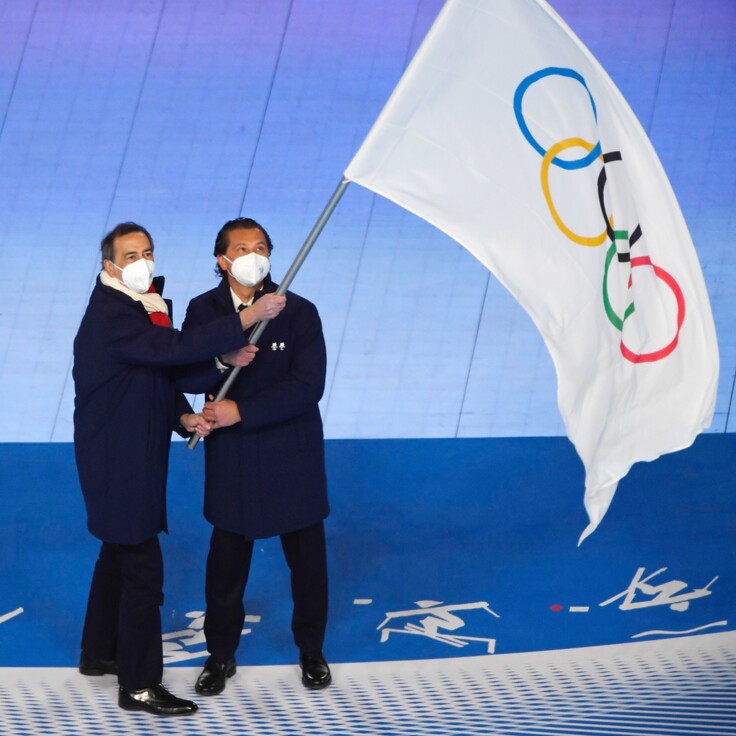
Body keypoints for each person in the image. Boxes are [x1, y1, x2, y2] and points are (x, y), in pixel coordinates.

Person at [73, 221, 285, 716]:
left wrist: (182, 415)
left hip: (133, 452)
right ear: (109, 266)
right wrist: (248, 315)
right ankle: (140, 684)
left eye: (146, 251)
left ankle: (99, 652)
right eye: (129, 256)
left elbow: (153, 373)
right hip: (117, 461)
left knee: (116, 556)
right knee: (142, 570)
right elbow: (166, 352)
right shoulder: (112, 313)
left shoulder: (141, 306)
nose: (141, 262)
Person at [177, 216, 331, 696]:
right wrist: (221, 364)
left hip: (291, 452)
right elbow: (187, 373)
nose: (253, 255)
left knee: (307, 561)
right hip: (233, 456)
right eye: (241, 248)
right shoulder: (203, 311)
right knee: (226, 562)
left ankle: (311, 649)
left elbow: (308, 388)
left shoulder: (299, 311)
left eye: (261, 246)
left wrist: (240, 409)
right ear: (221, 260)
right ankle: (220, 655)